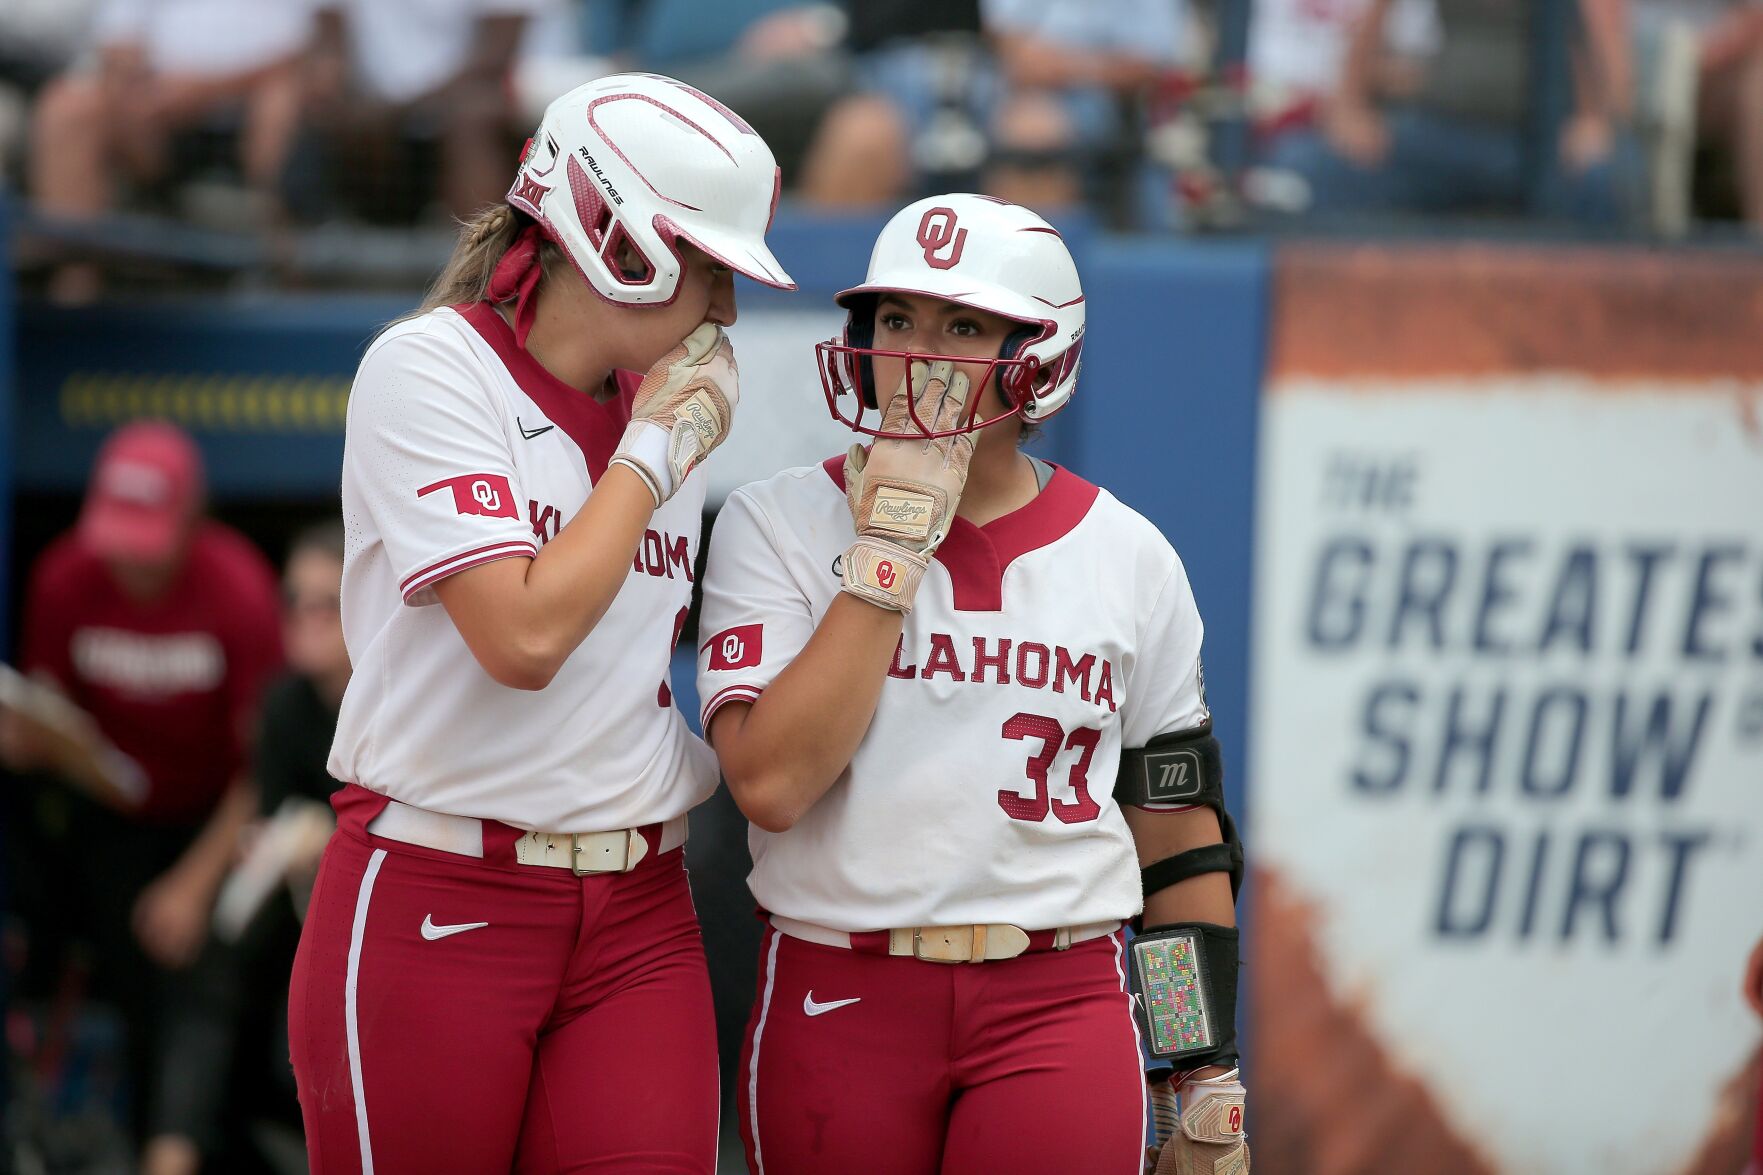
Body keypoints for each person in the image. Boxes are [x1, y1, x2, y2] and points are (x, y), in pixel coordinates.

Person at [286, 72, 794, 1174]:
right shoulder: (428, 367)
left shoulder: (659, 419)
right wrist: (651, 454)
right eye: (707, 266)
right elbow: (522, 640)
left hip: (639, 904)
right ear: (614, 236)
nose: (726, 309)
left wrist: (654, 446)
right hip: (442, 885)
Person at [696, 193, 1249, 1175]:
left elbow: (1173, 842)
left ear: (1042, 353)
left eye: (961, 326)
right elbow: (770, 784)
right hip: (841, 986)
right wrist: (886, 552)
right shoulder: (772, 521)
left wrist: (1196, 1058)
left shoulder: (1128, 555)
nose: (917, 354)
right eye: (897, 320)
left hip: (1057, 995)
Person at [1, 420, 284, 1175]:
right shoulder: (64, 578)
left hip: (216, 817)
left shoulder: (238, 587)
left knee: (206, 987)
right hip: (113, 816)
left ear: (192, 520)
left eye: (148, 539)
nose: (130, 560)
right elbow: (52, 700)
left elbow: (264, 759)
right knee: (127, 974)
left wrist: (195, 883)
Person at [28, 0, 311, 301]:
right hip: (156, 121)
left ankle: (284, 277)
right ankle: (74, 294)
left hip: (247, 121)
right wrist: (142, 94)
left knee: (280, 101)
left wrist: (203, 91)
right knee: (70, 107)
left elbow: (306, 55)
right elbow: (117, 45)